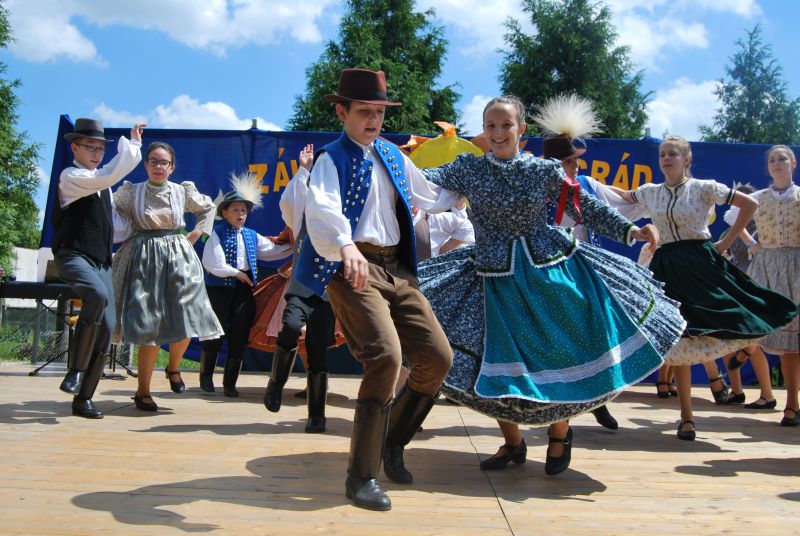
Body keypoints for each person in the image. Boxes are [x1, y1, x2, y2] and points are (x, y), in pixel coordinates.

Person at [417, 95, 684, 474]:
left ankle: (560, 434)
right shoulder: (469, 168)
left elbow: (583, 206)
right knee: (487, 358)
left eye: (506, 125)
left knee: (560, 351)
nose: (497, 132)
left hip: (545, 270)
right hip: (490, 274)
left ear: (521, 129)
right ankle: (513, 443)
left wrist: (630, 230)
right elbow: (420, 180)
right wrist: (385, 160)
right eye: (490, 125)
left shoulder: (541, 170)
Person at [304, 68, 460, 511]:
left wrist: (474, 180)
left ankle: (391, 443)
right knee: (386, 358)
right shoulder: (331, 159)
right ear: (342, 112)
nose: (373, 120)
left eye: (379, 112)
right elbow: (322, 208)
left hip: (398, 271)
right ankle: (361, 477)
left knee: (437, 358)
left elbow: (431, 196)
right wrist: (346, 246)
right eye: (364, 111)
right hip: (354, 268)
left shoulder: (391, 155)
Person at [618, 136, 797, 439]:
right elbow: (623, 195)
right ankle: (686, 417)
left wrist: (727, 240)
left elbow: (749, 203)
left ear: (686, 159)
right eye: (662, 154)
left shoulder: (703, 187)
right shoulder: (651, 191)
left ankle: (745, 356)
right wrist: (585, 182)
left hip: (700, 261)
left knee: (734, 312)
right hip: (667, 265)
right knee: (679, 337)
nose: (666, 159)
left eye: (672, 154)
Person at [112, 141, 224, 412]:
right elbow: (108, 208)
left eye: (164, 162)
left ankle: (173, 367)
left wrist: (198, 232)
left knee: (189, 316)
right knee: (149, 326)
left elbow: (208, 208)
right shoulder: (132, 192)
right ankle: (143, 392)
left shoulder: (181, 191)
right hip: (143, 258)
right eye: (153, 161)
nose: (158, 167)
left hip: (178, 257)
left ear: (172, 167)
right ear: (146, 164)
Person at [53, 118, 144, 418]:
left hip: (101, 260)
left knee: (107, 326)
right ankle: (75, 370)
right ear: (75, 148)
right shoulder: (71, 176)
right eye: (90, 147)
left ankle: (84, 398)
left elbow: (116, 227)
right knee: (96, 294)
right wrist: (133, 146)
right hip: (73, 255)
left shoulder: (104, 188)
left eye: (100, 148)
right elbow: (107, 175)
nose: (96, 153)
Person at [263, 144, 341, 434]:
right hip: (303, 281)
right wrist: (304, 169)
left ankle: (316, 415)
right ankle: (276, 383)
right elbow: (289, 202)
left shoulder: (344, 203)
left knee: (318, 347)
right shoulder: (304, 202)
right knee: (292, 325)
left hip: (329, 288)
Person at [199, 172, 292, 397]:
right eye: (235, 210)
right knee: (214, 332)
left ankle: (230, 383)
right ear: (224, 213)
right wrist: (236, 273)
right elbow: (212, 263)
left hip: (243, 290)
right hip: (219, 289)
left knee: (240, 334)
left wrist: (296, 243)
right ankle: (206, 377)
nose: (240, 214)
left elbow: (273, 251)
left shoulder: (251, 235)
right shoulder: (216, 234)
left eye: (243, 210)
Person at [733, 145, 800, 425]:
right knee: (769, 327)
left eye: (782, 158)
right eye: (772, 160)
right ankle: (748, 348)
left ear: (793, 163)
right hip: (768, 266)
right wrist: (752, 245)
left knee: (794, 340)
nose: (777, 163)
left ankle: (792, 405)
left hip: (797, 265)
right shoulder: (757, 198)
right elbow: (735, 222)